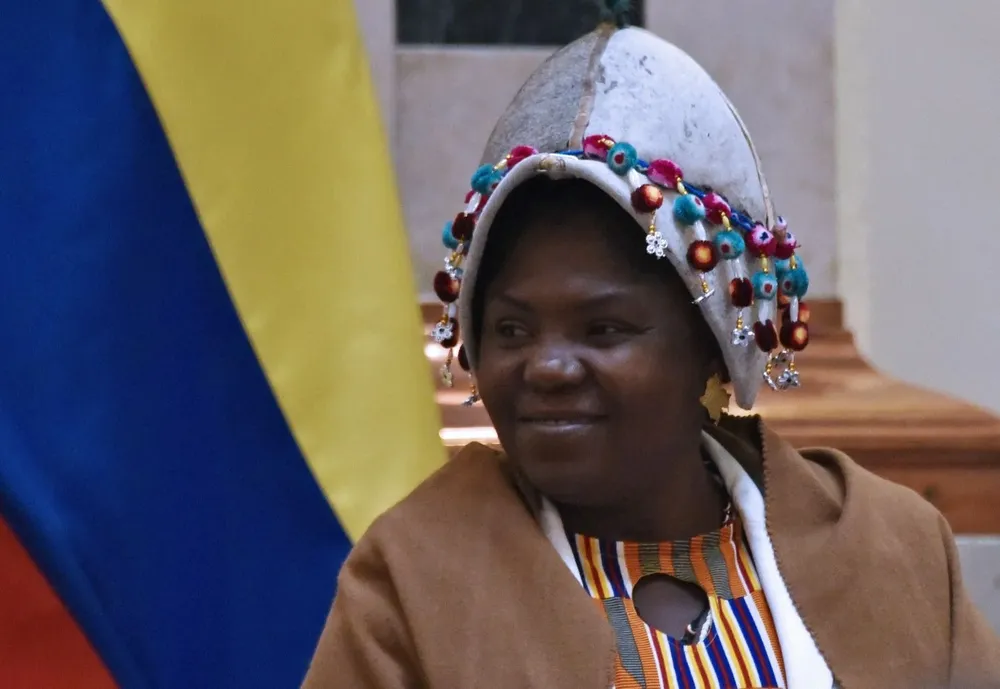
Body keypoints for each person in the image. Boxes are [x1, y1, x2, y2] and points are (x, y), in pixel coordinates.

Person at [302, 8, 1000, 689]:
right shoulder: (415, 579)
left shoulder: (889, 549)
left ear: (709, 345)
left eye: (603, 329)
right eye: (512, 329)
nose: (546, 365)